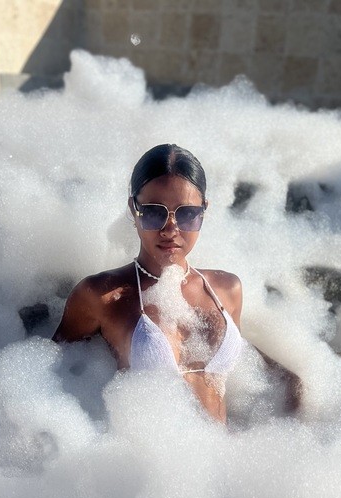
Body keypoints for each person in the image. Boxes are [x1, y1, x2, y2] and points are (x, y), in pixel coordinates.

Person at [52, 143, 300, 423]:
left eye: (186, 214)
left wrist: (298, 390)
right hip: (147, 451)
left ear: (203, 211)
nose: (171, 229)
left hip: (226, 448)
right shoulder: (102, 296)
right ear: (134, 209)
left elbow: (248, 364)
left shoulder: (227, 289)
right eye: (154, 212)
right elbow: (48, 378)